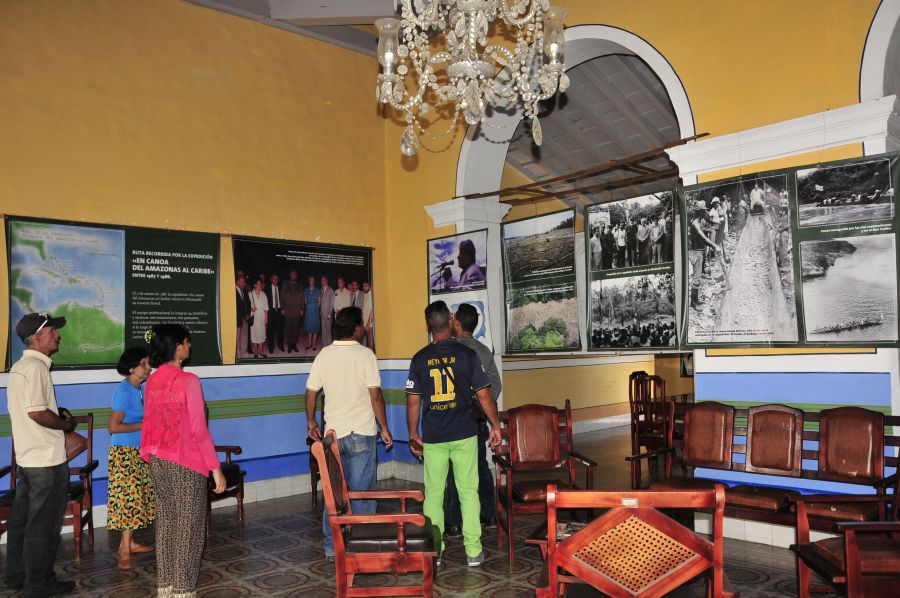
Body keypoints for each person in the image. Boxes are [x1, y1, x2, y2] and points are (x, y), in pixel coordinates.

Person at [405, 301, 501, 567]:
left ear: (429, 325)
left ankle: (434, 552)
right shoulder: (467, 355)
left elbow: (413, 402)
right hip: (464, 435)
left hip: (434, 437)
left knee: (434, 494)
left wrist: (413, 434)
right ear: (449, 322)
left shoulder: (419, 358)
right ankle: (473, 551)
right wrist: (495, 424)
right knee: (468, 492)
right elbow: (484, 395)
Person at [141, 324, 225, 598]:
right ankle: (183, 589)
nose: (190, 347)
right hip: (185, 462)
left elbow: (148, 423)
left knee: (166, 522)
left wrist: (149, 454)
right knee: (189, 526)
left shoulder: (152, 380)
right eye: (187, 342)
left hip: (157, 459)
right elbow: (199, 431)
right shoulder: (189, 381)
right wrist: (215, 469)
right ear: (178, 347)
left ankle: (165, 586)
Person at [305, 307, 392, 560]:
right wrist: (384, 427)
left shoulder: (324, 355)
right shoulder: (366, 355)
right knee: (362, 491)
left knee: (333, 493)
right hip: (362, 434)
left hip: (332, 437)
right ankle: (362, 546)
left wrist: (311, 423)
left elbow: (311, 392)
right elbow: (375, 395)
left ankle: (333, 548)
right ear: (356, 329)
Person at [6, 312, 77, 597]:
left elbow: (31, 408)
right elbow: (37, 413)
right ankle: (39, 584)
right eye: (52, 331)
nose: (57, 335)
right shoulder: (36, 367)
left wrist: (55, 414)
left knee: (21, 521)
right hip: (46, 462)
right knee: (43, 526)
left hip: (27, 460)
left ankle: (16, 576)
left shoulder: (20, 367)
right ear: (37, 337)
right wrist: (65, 425)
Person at [443, 303, 501, 537]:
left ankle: (454, 523)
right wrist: (479, 404)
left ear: (456, 323)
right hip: (475, 419)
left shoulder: (444, 349)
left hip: (449, 419)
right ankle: (489, 515)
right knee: (480, 466)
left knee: (451, 471)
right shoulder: (483, 351)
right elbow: (494, 385)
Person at [107, 346, 156, 570]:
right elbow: (113, 427)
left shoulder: (139, 389)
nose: (148, 368)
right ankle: (124, 550)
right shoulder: (124, 391)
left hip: (139, 451)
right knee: (129, 501)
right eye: (144, 364)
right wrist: (143, 425)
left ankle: (130, 542)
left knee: (138, 498)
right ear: (132, 367)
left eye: (149, 363)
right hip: (124, 454)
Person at [689, 201, 719, 309]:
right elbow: (704, 238)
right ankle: (693, 302)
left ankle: (696, 300)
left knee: (699, 276)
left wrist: (712, 228)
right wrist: (715, 246)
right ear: (699, 212)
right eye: (704, 210)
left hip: (701, 251)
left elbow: (706, 228)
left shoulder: (701, 221)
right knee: (697, 278)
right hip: (696, 253)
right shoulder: (695, 224)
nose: (706, 211)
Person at [281, 270, 304, 353]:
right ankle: (290, 345)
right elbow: (282, 296)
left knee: (295, 329)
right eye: (292, 274)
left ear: (296, 276)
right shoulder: (285, 284)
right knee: (288, 329)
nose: (293, 275)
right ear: (290, 275)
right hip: (288, 310)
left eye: (295, 274)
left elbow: (302, 297)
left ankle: (294, 345)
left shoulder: (300, 285)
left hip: (297, 310)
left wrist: (302, 308)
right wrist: (282, 308)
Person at [248, 279, 269, 358]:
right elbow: (246, 306)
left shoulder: (264, 294)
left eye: (261, 284)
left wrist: (266, 317)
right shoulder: (250, 294)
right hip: (254, 317)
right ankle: (256, 351)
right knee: (254, 334)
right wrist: (251, 309)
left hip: (262, 317)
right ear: (255, 285)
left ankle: (261, 351)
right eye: (258, 284)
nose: (260, 285)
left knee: (262, 334)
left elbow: (266, 307)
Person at [265, 273, 284, 354]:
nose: (275, 280)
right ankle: (271, 347)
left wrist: (283, 308)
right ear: (271, 280)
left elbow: (283, 300)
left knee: (280, 331)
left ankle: (280, 345)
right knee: (270, 331)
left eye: (277, 279)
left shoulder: (280, 288)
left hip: (279, 311)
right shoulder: (267, 288)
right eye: (274, 278)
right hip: (271, 311)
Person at [235, 273, 251, 359]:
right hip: (238, 319)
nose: (244, 284)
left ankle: (244, 352)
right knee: (237, 338)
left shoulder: (244, 290)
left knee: (244, 337)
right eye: (243, 282)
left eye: (244, 282)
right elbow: (236, 307)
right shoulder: (233, 291)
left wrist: (248, 314)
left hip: (246, 318)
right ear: (237, 281)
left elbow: (248, 303)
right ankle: (238, 354)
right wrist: (244, 315)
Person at [303, 275, 321, 351]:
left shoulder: (317, 290)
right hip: (308, 310)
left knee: (315, 328)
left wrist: (315, 306)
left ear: (314, 281)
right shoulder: (306, 290)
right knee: (309, 328)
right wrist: (309, 305)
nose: (311, 282)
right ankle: (309, 343)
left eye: (313, 280)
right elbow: (305, 301)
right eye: (310, 280)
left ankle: (314, 345)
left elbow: (319, 302)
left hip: (315, 311)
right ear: (309, 281)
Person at [319, 276, 335, 347]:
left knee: (328, 330)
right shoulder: (321, 290)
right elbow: (320, 302)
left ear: (327, 281)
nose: (323, 282)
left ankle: (329, 345)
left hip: (328, 314)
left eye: (324, 280)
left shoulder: (330, 290)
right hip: (322, 314)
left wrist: (329, 314)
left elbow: (332, 302)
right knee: (323, 330)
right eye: (322, 280)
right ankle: (324, 344)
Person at [361, 281, 374, 349]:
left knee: (370, 341)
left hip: (369, 323)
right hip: (365, 322)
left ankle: (371, 356)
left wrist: (368, 324)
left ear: (370, 287)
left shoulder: (371, 295)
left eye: (366, 286)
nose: (364, 287)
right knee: (367, 342)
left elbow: (372, 311)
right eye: (363, 286)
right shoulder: (365, 294)